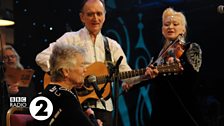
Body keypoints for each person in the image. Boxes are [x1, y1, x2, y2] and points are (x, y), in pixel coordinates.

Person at [35, 0, 158, 126]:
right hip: (76, 105)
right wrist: (66, 72)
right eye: (90, 14)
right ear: (82, 17)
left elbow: (127, 76)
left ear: (104, 16)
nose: (95, 18)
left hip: (104, 108)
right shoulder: (69, 39)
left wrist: (144, 75)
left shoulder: (112, 46)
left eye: (99, 14)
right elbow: (41, 58)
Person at [148, 7, 203, 126]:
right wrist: (132, 82)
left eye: (175, 24)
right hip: (160, 111)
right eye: (167, 24)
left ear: (183, 29)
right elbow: (148, 77)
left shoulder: (191, 48)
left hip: (183, 109)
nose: (170, 27)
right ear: (162, 30)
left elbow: (193, 79)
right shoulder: (158, 54)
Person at [34, 42, 103, 126]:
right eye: (81, 65)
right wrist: (92, 117)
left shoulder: (43, 94)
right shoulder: (66, 98)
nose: (85, 70)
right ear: (65, 71)